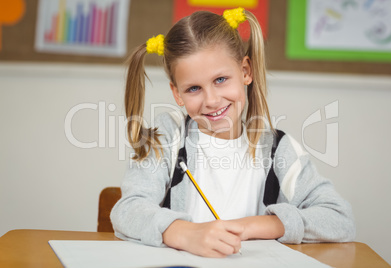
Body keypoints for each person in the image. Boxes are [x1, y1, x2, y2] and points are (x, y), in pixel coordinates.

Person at [111, 7, 355, 258]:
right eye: (194, 88)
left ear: (245, 71)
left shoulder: (278, 148)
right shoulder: (168, 136)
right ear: (177, 94)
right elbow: (127, 211)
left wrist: (252, 226)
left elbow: (339, 219)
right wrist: (185, 233)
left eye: (220, 80)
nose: (212, 100)